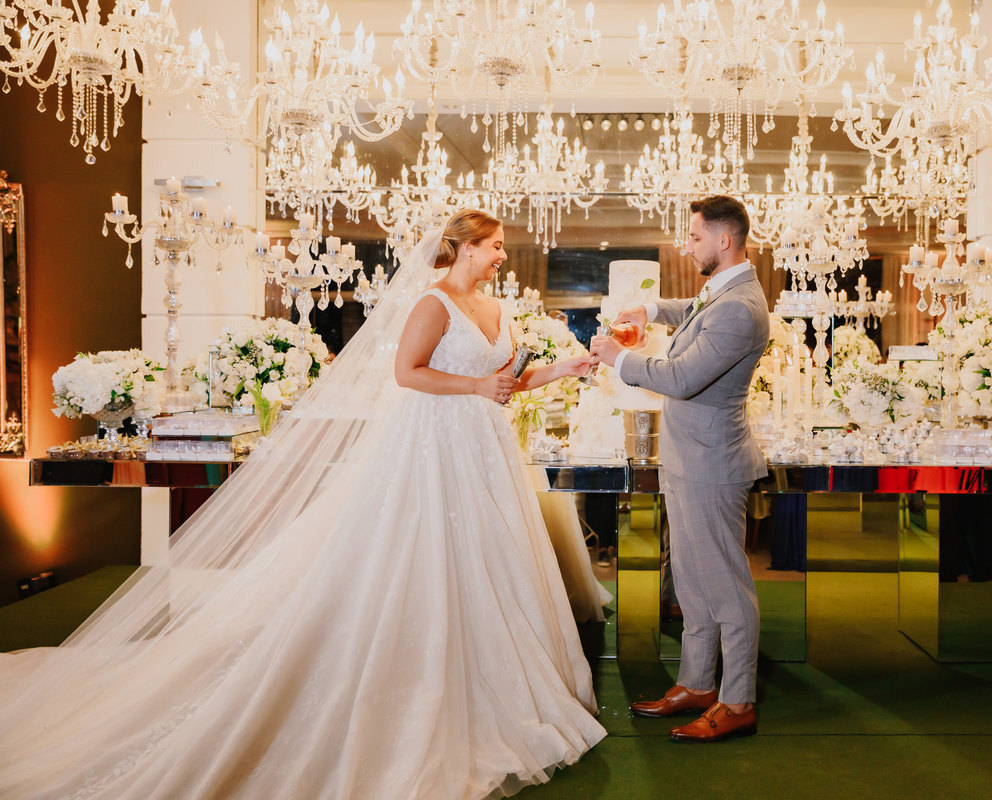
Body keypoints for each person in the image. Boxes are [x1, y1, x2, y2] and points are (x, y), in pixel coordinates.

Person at [0, 209, 606, 798]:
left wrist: (564, 368)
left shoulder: (497, 309)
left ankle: (498, 687)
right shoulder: (433, 303)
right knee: (422, 558)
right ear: (467, 247)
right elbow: (407, 372)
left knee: (489, 561)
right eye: (496, 245)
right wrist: (476, 386)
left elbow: (511, 377)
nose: (503, 255)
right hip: (433, 446)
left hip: (483, 449)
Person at [591, 194, 769, 743]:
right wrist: (651, 309)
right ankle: (697, 684)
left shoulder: (742, 307)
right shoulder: (725, 292)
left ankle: (737, 699)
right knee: (691, 581)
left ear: (724, 240)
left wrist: (615, 357)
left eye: (693, 238)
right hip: (692, 457)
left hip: (714, 462)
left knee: (727, 587)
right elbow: (694, 311)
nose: (685, 246)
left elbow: (681, 377)